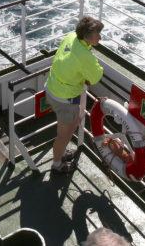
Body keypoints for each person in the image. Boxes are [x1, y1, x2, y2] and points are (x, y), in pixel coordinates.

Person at [44, 16, 105, 174]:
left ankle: (62, 153)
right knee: (63, 136)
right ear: (87, 37)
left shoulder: (71, 36)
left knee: (75, 121)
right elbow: (96, 76)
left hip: (52, 88)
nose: (100, 37)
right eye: (97, 34)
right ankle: (57, 164)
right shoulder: (85, 57)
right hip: (65, 99)